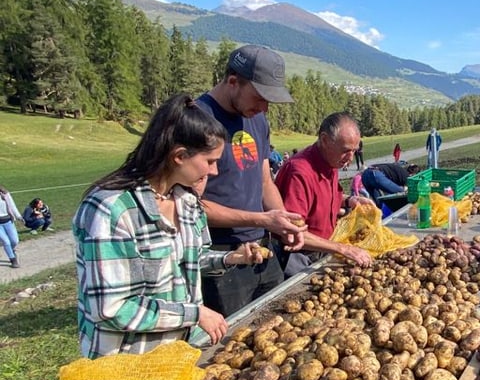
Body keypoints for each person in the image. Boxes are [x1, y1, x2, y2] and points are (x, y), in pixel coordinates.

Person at [71, 94, 269, 359]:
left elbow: (189, 259)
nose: (214, 172)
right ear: (179, 156)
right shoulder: (110, 210)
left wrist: (230, 258)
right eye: (209, 161)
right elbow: (111, 309)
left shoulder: (185, 202)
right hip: (125, 360)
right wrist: (195, 313)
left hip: (172, 356)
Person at [195, 44, 306, 317]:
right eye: (260, 97)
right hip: (221, 257)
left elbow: (265, 181)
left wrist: (283, 222)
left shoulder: (258, 120)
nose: (264, 107)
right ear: (233, 82)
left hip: (262, 250)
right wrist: (261, 220)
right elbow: (190, 207)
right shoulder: (196, 120)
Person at [274, 112, 376, 277]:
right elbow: (290, 233)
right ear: (325, 140)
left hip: (322, 249)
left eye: (354, 151)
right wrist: (342, 248)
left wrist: (350, 200)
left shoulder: (331, 161)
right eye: (345, 151)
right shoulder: (300, 172)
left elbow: (324, 198)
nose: (350, 158)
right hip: (299, 256)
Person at [0, 184, 24, 268]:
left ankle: (11, 250)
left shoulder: (5, 194)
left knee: (14, 241)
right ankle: (13, 260)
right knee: (6, 241)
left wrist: (19, 217)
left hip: (8, 221)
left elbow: (12, 206)